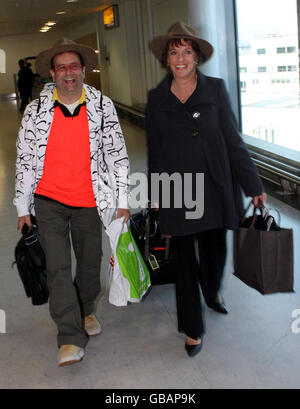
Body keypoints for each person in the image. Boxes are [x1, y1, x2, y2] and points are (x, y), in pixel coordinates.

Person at [147, 22, 266, 357]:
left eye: (187, 51)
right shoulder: (157, 98)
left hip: (214, 185)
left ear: (196, 56)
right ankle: (192, 328)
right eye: (174, 52)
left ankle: (213, 291)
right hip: (176, 189)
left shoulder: (215, 89)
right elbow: (155, 148)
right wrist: (157, 192)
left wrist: (253, 185)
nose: (180, 58)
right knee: (183, 259)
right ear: (166, 59)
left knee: (213, 253)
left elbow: (233, 140)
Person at [14, 38, 130, 367]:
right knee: (58, 267)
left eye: (74, 66)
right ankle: (68, 336)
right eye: (62, 67)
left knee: (91, 261)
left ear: (83, 70)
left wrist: (122, 199)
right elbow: (24, 160)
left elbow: (117, 156)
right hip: (48, 199)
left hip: (90, 198)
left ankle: (86, 309)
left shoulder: (101, 105)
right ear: (52, 72)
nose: (69, 73)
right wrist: (22, 207)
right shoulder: (36, 110)